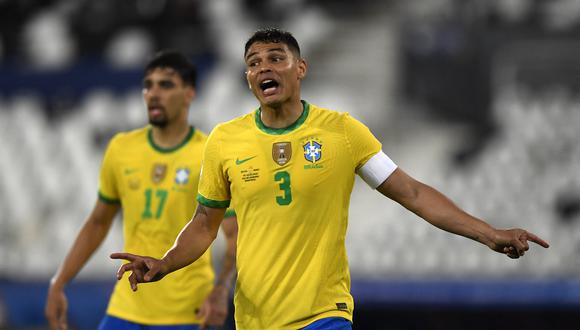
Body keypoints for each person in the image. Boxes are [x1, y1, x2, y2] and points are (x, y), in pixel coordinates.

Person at [110, 28, 549, 330]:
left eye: (276, 58)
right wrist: (164, 263)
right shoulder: (225, 141)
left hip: (325, 311)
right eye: (253, 62)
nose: (264, 67)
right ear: (247, 77)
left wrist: (487, 233)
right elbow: (205, 224)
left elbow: (412, 192)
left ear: (300, 69)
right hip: (256, 317)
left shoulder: (341, 132)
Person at [45, 50, 238, 330]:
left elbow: (233, 235)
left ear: (190, 93)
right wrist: (59, 283)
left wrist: (221, 289)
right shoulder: (122, 148)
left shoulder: (210, 152)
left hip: (187, 310)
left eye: (166, 84)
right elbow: (98, 222)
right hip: (127, 304)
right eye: (148, 85)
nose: (153, 93)